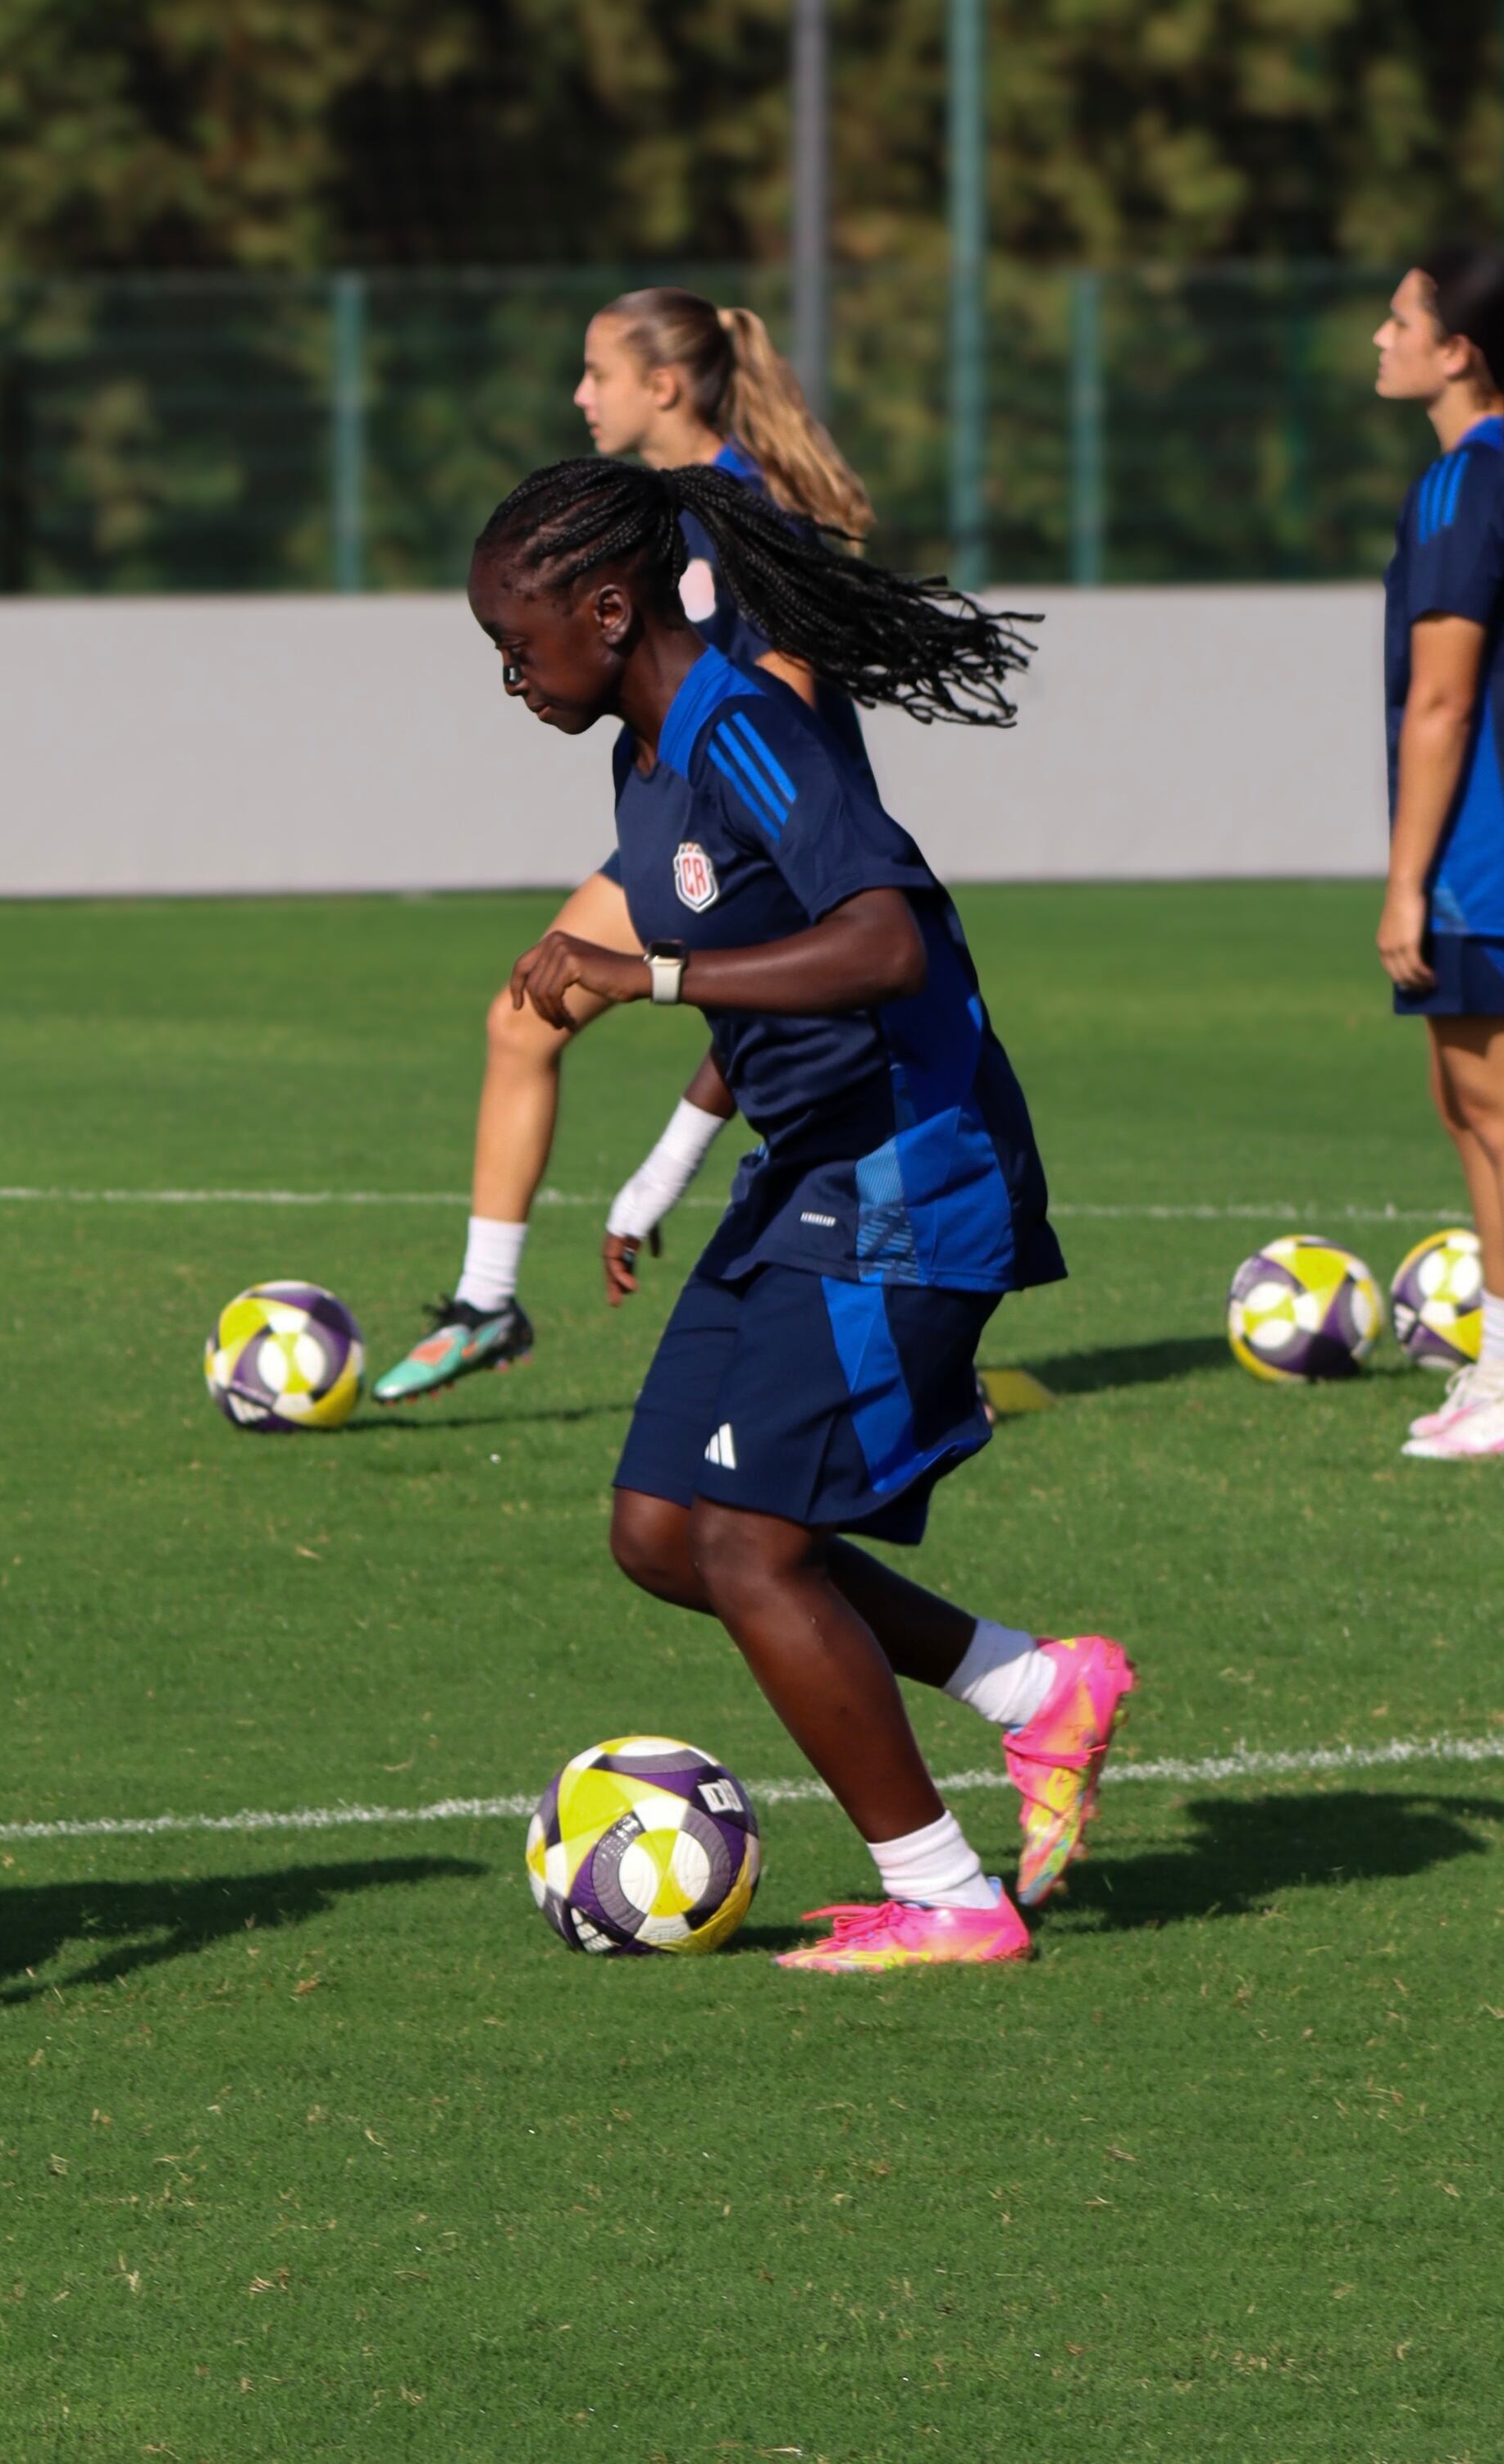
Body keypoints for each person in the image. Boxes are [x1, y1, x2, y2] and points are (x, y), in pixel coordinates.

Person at [468, 454, 1138, 1970]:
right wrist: (671, 1144)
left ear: (610, 602)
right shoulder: (643, 756)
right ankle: (1038, 1692)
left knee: (756, 1546)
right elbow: (771, 962)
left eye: (520, 644)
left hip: (910, 1165)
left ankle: (951, 1897)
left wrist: (644, 977)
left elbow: (883, 941)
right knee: (660, 1530)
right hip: (809, 1161)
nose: (509, 676)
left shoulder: (750, 726)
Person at [380, 288, 878, 1405]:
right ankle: (486, 1302)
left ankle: (916, 1333)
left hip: (763, 843)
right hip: (690, 832)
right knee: (526, 1011)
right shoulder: (650, 519)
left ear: (664, 385)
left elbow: (788, 707)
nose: (579, 393)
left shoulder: (751, 517)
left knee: (829, 1063)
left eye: (596, 371)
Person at [1374, 248, 1504, 1460]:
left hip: (1483, 854)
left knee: (1491, 1106)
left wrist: (1409, 879)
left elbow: (1442, 701)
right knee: (1461, 1099)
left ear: (1459, 350)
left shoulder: (1466, 483)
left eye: (1403, 318)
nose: (1380, 334)